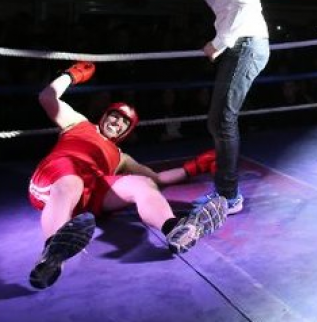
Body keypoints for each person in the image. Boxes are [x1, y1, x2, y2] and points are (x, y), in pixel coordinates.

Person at [27, 61, 227, 290]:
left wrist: (194, 167)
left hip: (90, 193)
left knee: (143, 183)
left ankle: (175, 230)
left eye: (124, 122)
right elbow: (46, 98)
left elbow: (158, 179)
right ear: (105, 115)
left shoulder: (121, 157)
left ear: (126, 132)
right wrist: (70, 76)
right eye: (115, 115)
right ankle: (52, 254)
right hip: (56, 178)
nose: (117, 122)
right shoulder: (78, 123)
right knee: (72, 181)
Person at [185, 0, 270, 215]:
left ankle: (229, 196)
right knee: (217, 120)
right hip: (240, 42)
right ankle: (225, 191)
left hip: (245, 42)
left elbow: (244, 3)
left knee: (221, 119)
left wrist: (219, 42)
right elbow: (222, 6)